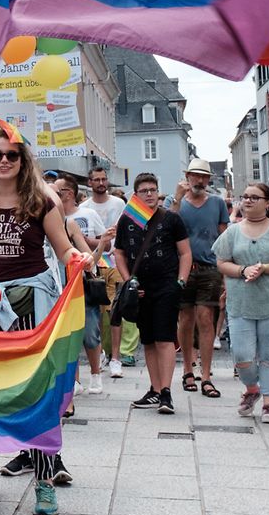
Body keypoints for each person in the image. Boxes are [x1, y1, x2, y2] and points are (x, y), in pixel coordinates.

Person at [0, 130, 93, 515]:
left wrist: (79, 259)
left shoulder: (40, 201)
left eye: (11, 155)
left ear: (22, 160)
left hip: (32, 303)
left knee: (36, 390)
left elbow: (63, 248)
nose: (3, 161)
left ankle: (44, 480)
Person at [214, 182, 269, 425]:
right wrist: (243, 270)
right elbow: (221, 262)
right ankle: (252, 388)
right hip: (241, 302)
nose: (248, 201)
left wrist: (264, 268)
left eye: (254, 197)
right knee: (242, 355)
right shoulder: (232, 232)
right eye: (245, 196)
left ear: (267, 203)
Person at [114, 173, 192, 416]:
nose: (149, 194)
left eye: (153, 190)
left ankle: (166, 392)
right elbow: (119, 253)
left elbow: (185, 252)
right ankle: (155, 389)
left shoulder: (171, 219)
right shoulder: (127, 220)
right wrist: (129, 281)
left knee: (164, 338)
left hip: (167, 285)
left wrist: (181, 281)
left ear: (158, 192)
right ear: (135, 194)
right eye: (144, 190)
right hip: (140, 287)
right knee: (148, 340)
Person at [174, 158, 229, 399]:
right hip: (182, 268)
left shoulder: (217, 203)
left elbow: (224, 238)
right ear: (187, 176)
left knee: (206, 319)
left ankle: (206, 376)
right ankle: (188, 369)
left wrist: (226, 274)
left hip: (209, 267)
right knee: (185, 319)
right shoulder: (176, 201)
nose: (199, 180)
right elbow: (167, 226)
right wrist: (176, 199)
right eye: (195, 175)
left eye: (204, 176)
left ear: (209, 179)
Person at [55, 177, 109, 395]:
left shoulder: (69, 224)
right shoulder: (36, 223)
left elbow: (89, 257)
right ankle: (74, 379)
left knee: (89, 333)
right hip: (53, 287)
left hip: (77, 286)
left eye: (57, 194)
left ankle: (96, 374)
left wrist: (102, 244)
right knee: (65, 336)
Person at [80, 167, 135, 377]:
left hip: (115, 262)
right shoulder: (85, 208)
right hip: (94, 263)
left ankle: (116, 357)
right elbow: (86, 240)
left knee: (116, 310)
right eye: (97, 179)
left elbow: (121, 233)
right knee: (98, 313)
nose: (101, 183)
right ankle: (101, 352)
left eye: (104, 179)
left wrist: (103, 242)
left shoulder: (119, 203)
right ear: (90, 182)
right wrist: (101, 241)